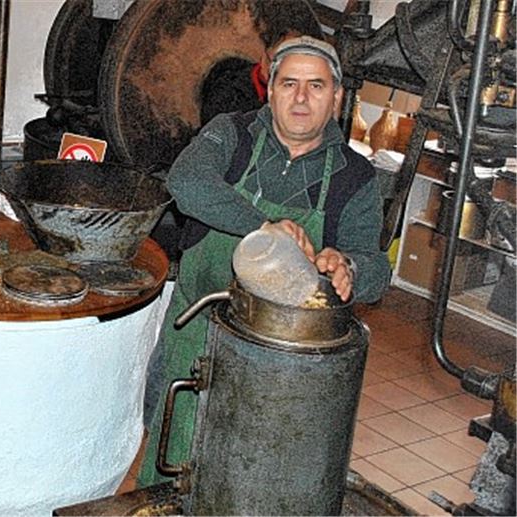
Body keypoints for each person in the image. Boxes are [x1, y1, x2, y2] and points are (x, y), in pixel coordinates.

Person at [138, 36, 391, 487]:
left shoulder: (354, 176)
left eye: (316, 86)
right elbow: (187, 182)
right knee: (170, 458)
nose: (300, 97)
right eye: (289, 83)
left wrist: (348, 267)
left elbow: (375, 267)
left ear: (336, 97)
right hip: (199, 330)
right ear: (270, 90)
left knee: (250, 473)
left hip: (279, 357)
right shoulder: (231, 134)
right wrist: (266, 225)